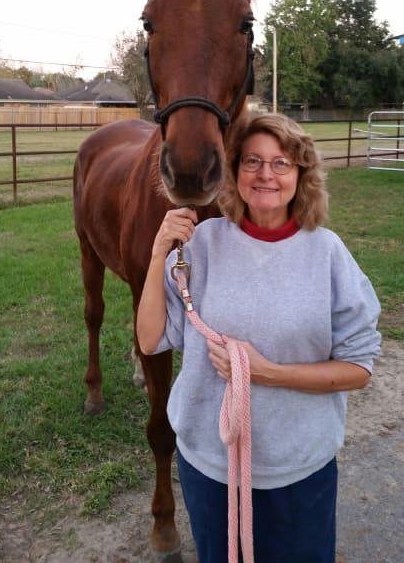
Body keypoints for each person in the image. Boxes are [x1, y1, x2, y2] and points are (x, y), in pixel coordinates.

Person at [137, 113, 381, 563]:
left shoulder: (327, 254)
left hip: (297, 472)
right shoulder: (203, 245)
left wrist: (270, 373)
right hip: (210, 468)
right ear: (234, 171)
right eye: (252, 161)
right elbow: (151, 339)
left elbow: (358, 368)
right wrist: (158, 255)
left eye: (281, 163)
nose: (265, 174)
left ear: (301, 175)